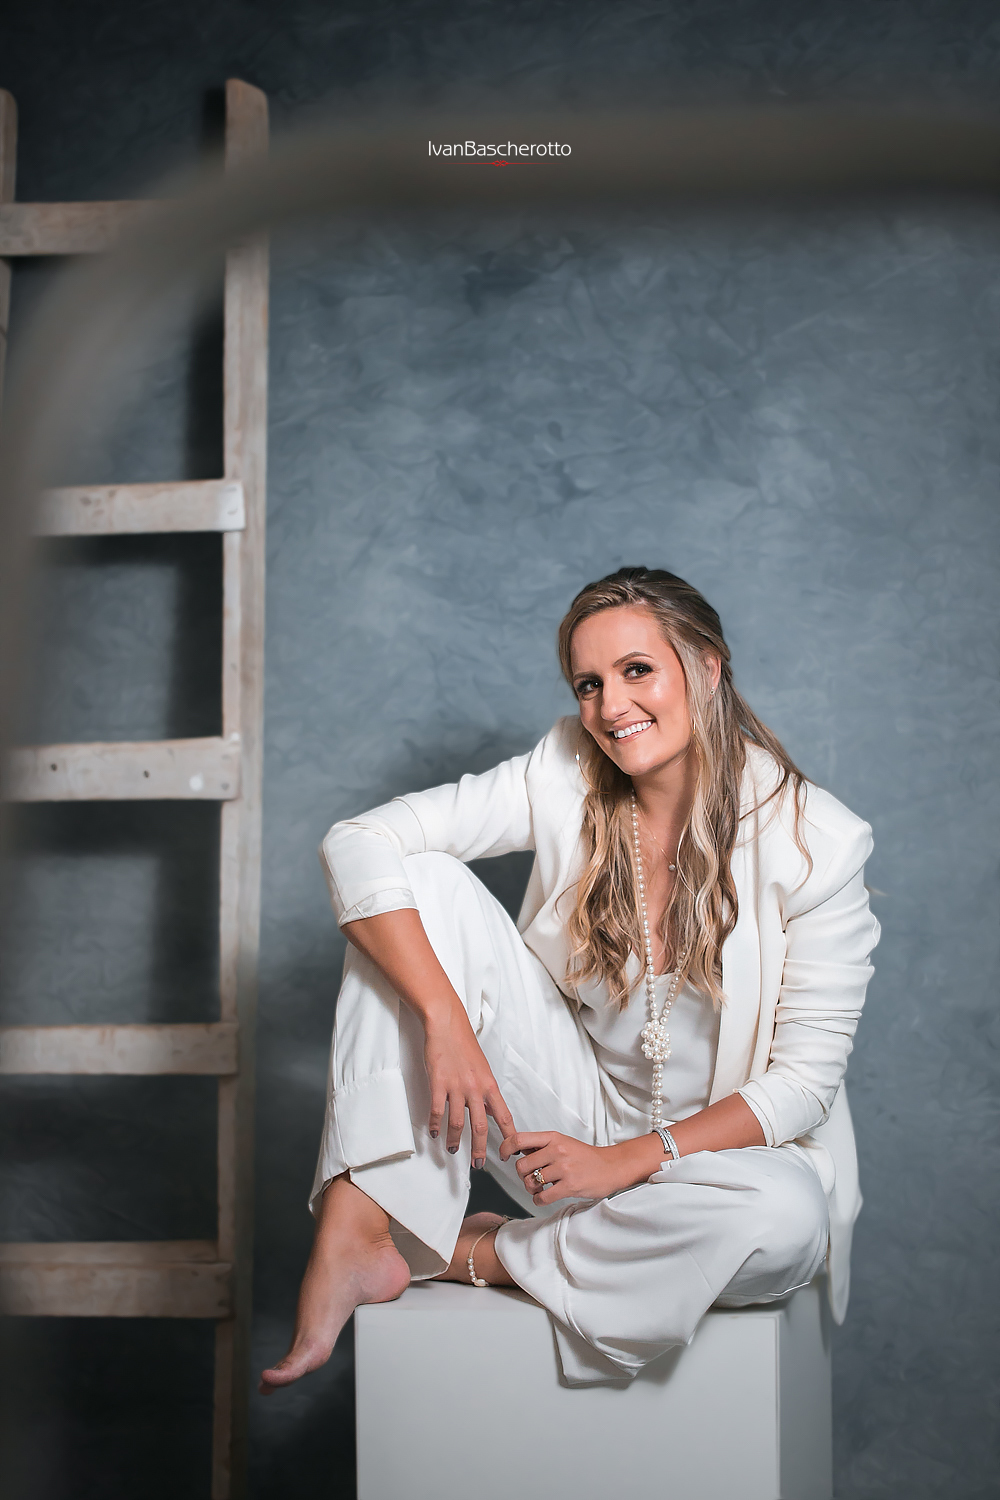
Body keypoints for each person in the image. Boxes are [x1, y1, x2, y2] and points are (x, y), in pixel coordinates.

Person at [260, 565, 879, 1393]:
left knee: (784, 1218)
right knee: (424, 882)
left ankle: (483, 1251)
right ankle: (359, 1224)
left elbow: (802, 1087)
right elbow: (359, 842)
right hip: (563, 1132)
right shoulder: (565, 769)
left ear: (707, 668)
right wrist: (446, 1020)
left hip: (720, 1162)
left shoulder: (819, 841)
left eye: (636, 670)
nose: (611, 706)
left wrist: (625, 1164)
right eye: (589, 684)